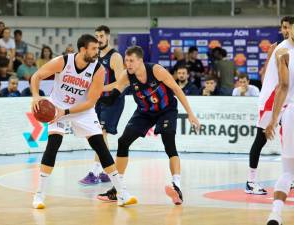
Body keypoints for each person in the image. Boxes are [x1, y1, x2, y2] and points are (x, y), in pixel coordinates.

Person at [30, 34, 137, 209]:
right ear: (82, 49)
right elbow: (36, 76)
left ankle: (122, 193)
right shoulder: (63, 61)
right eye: (94, 48)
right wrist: (35, 97)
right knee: (53, 144)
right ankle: (39, 195)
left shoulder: (98, 69)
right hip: (57, 105)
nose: (97, 51)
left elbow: (91, 102)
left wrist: (65, 112)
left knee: (100, 147)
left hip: (82, 110)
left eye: (98, 48)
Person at [96, 46, 200, 205]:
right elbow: (112, 97)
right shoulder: (126, 76)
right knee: (123, 141)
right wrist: (93, 96)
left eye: (131, 61)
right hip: (144, 112)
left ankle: (177, 186)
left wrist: (191, 114)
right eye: (126, 60)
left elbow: (177, 90)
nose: (128, 64)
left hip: (166, 110)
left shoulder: (156, 70)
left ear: (140, 61)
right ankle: (117, 188)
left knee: (169, 144)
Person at [245, 16, 294, 196]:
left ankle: (289, 178)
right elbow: (278, 82)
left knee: (288, 139)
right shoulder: (281, 50)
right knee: (261, 139)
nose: (287, 31)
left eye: (289, 27)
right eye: (284, 28)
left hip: (287, 100)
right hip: (272, 100)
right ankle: (250, 182)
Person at [79, 25, 125, 185]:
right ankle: (107, 170)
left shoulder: (115, 57)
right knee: (97, 133)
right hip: (98, 99)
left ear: (108, 37)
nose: (99, 39)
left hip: (112, 100)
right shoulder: (95, 55)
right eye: (96, 36)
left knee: (100, 133)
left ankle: (95, 171)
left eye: (101, 36)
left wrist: (101, 89)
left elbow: (121, 81)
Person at [264, 48, 294, 225]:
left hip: (291, 113)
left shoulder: (285, 55)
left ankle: (275, 214)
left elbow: (282, 87)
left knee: (288, 171)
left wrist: (273, 120)